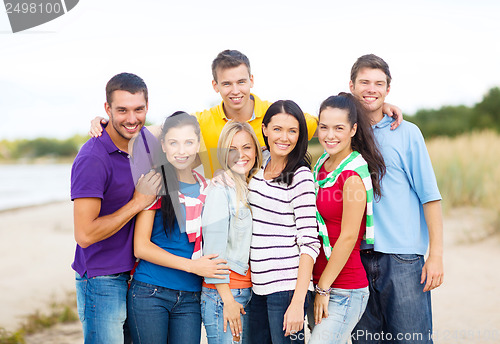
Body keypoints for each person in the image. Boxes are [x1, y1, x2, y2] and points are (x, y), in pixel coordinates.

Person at [88, 50, 403, 177]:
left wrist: (375, 108)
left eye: (241, 81)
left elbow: (333, 121)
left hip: (270, 219)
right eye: (227, 83)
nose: (235, 89)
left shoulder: (278, 116)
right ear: (215, 85)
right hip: (222, 220)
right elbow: (158, 130)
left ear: (252, 80)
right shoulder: (203, 120)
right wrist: (112, 127)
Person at [349, 54, 444, 344]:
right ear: (351, 86)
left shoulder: (407, 132)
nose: (371, 89)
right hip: (356, 260)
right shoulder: (343, 133)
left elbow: (430, 197)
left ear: (388, 89)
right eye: (364, 82)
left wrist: (436, 255)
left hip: (403, 258)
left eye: (379, 84)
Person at [71, 72, 162, 343]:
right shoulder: (92, 158)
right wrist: (137, 203)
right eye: (121, 110)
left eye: (139, 109)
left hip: (142, 275)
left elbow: (188, 128)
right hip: (103, 279)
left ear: (148, 107)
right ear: (107, 109)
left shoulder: (149, 143)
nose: (131, 119)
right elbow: (84, 234)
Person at [126, 112, 230, 344]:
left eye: (188, 142)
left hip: (191, 297)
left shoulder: (208, 187)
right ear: (163, 145)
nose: (181, 151)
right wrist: (193, 266)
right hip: (151, 292)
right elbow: (140, 247)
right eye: (173, 143)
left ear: (198, 144)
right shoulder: (155, 183)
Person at [307, 93, 385, 344]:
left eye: (339, 128)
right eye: (324, 127)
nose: (330, 135)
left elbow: (349, 236)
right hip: (320, 283)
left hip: (343, 289)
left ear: (353, 129)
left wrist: (323, 289)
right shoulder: (322, 164)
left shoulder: (352, 174)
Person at [248, 100, 321, 344]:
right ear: (265, 129)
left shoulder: (300, 176)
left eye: (293, 131)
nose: (285, 137)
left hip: (287, 288)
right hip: (257, 286)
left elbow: (310, 241)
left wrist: (298, 301)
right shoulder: (258, 166)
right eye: (277, 129)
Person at [201, 121, 263, 344]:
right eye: (232, 150)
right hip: (224, 295)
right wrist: (227, 299)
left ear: (256, 150)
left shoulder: (251, 187)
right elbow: (213, 252)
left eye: (246, 147)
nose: (241, 155)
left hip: (247, 291)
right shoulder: (220, 190)